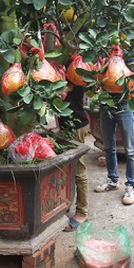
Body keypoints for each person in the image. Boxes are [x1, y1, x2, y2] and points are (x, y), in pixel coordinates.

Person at [94, 54, 134, 206]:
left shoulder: (128, 56)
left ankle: (131, 186)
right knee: (108, 147)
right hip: (106, 104)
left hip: (124, 105)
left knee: (130, 149)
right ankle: (112, 180)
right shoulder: (103, 56)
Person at [58, 81, 90, 231]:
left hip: (76, 127)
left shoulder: (75, 71)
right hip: (66, 127)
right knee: (66, 170)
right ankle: (66, 204)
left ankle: (82, 213)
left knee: (78, 170)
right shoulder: (58, 71)